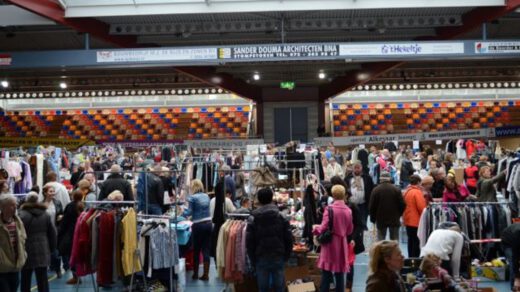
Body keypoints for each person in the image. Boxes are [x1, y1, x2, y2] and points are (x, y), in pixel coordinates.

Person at [246, 188, 293, 292]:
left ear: (258, 199)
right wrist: (286, 255)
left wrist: (252, 259)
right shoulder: (281, 216)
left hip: (261, 256)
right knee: (279, 287)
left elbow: (249, 242)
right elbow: (289, 238)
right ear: (272, 198)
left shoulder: (253, 218)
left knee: (263, 288)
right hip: (278, 255)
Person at [313, 185, 353, 292]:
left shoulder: (329, 209)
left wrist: (315, 229)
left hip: (330, 243)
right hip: (341, 243)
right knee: (340, 272)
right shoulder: (348, 211)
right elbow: (349, 230)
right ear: (344, 195)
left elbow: (324, 226)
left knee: (326, 271)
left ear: (333, 195)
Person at [19, 193, 57, 292]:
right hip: (43, 247)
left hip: (26, 248)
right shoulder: (46, 214)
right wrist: (52, 248)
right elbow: (52, 233)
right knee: (42, 278)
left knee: (25, 277)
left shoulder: (21, 215)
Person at [182, 179, 212, 281]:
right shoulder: (207, 196)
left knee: (197, 249)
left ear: (193, 187)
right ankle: (206, 274)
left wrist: (181, 212)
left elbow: (189, 212)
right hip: (208, 224)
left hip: (198, 225)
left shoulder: (192, 197)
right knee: (206, 249)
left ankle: (195, 274)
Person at [0, 194, 27, 292]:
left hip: (15, 266)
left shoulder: (18, 222)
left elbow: (23, 239)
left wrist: (23, 255)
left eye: (16, 205)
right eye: (12, 205)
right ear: (3, 207)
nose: (15, 207)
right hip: (2, 268)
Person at [369, 171, 405, 241]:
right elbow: (402, 204)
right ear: (389, 179)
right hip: (394, 219)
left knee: (381, 240)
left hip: (380, 218)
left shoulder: (376, 190)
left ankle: (382, 252)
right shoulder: (396, 189)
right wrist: (398, 214)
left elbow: (372, 206)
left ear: (380, 179)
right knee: (394, 240)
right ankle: (394, 252)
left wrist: (373, 219)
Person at [58, 190, 84, 285]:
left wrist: (60, 231)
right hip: (80, 232)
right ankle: (79, 274)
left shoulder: (70, 206)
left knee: (71, 255)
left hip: (71, 233)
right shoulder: (82, 206)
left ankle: (75, 277)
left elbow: (65, 221)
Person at [344, 161, 374, 230]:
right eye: (355, 168)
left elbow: (371, 190)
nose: (357, 169)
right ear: (352, 168)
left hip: (363, 204)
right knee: (352, 223)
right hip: (351, 205)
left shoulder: (367, 178)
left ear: (361, 168)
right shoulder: (348, 178)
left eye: (358, 168)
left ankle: (363, 237)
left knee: (363, 223)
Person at [42, 185, 64, 278]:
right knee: (45, 251)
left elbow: (62, 213)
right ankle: (45, 269)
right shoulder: (41, 204)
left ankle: (58, 269)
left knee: (55, 251)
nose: (53, 193)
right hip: (44, 231)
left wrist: (61, 217)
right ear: (45, 193)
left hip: (55, 229)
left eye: (53, 191)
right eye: (50, 191)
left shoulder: (57, 203)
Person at [403, 175, 427, 258]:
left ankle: (410, 259)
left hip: (408, 220)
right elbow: (422, 207)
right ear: (418, 182)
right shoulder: (417, 192)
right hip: (415, 221)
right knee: (416, 243)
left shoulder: (407, 191)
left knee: (410, 241)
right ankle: (415, 260)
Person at [501, 222, 520, 291]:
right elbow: (515, 257)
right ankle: (514, 287)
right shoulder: (517, 234)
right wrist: (517, 278)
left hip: (514, 238)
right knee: (512, 262)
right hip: (507, 242)